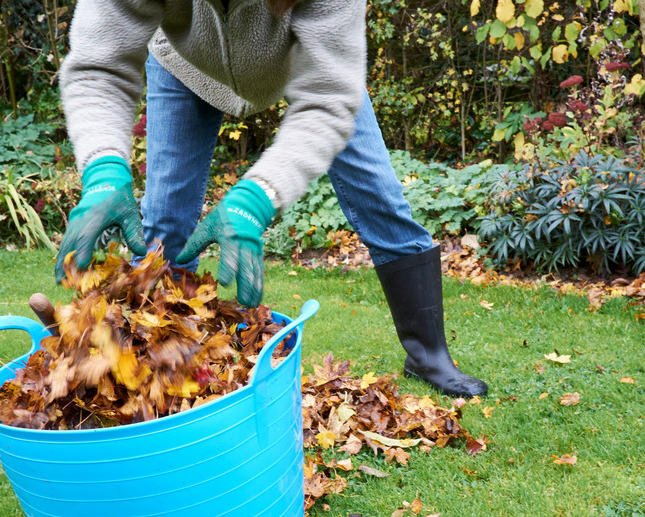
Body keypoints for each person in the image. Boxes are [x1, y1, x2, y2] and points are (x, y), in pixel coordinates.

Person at [55, 0, 487, 397]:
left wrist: (255, 200)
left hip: (306, 64)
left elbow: (329, 98)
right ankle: (152, 366)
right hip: (183, 66)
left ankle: (429, 356)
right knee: (166, 223)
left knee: (379, 197)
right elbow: (100, 65)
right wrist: (103, 172)